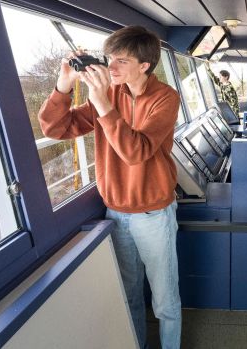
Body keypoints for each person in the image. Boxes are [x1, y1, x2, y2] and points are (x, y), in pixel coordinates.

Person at [38, 25, 182, 348]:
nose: (110, 67)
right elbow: (54, 127)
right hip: (116, 213)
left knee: (165, 300)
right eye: (108, 59)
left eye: (120, 61)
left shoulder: (165, 98)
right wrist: (64, 84)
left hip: (154, 214)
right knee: (129, 295)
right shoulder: (110, 94)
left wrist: (102, 104)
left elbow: (137, 152)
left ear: (144, 65)